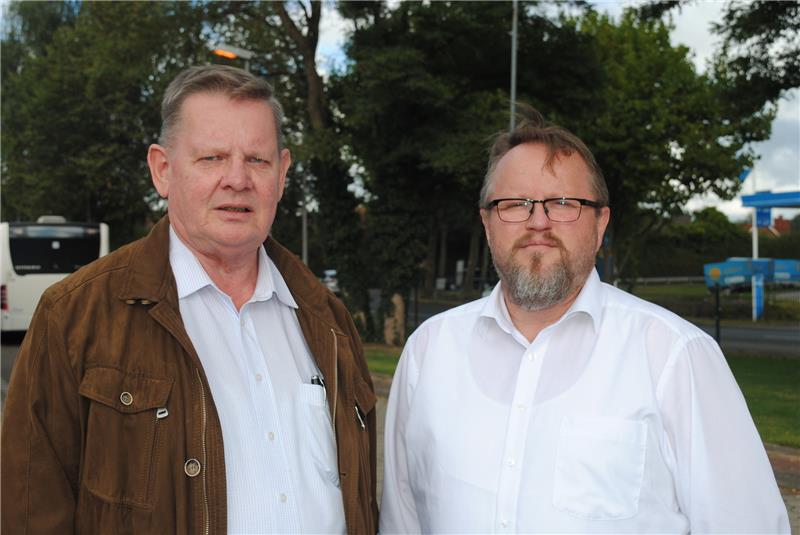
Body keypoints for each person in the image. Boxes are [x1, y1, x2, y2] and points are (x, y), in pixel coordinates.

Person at [2, 65, 378, 534]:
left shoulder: (329, 321)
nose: (237, 179)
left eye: (257, 161)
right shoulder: (74, 317)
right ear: (163, 170)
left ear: (282, 174)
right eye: (212, 158)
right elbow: (28, 510)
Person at [380, 108, 789, 533]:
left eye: (562, 203)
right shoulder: (428, 351)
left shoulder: (674, 356)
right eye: (514, 204)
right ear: (487, 223)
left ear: (600, 223)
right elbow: (402, 519)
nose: (538, 222)